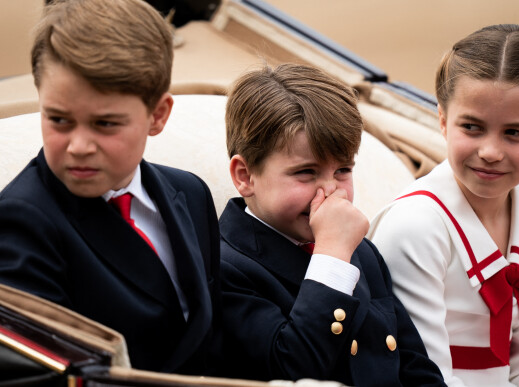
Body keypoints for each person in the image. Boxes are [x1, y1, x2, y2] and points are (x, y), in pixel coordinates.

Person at [0, 0, 221, 375]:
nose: (79, 146)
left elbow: (212, 333)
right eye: (59, 119)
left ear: (158, 115)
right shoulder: (21, 222)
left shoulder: (192, 193)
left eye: (105, 124)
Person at [219, 63, 445, 386]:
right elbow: (291, 369)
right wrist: (331, 256)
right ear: (245, 176)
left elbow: (415, 367)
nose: (331, 191)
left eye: (343, 170)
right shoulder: (224, 267)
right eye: (306, 172)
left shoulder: (362, 251)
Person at [368, 24, 519, 386]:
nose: (490, 152)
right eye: (472, 127)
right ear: (443, 121)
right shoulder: (415, 226)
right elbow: (424, 376)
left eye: (514, 132)